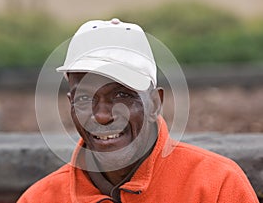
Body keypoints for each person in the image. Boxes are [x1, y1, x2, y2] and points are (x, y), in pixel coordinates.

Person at [18, 18, 259, 203]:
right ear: (70, 103)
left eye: (123, 95)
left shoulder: (217, 186)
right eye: (84, 98)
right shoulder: (41, 198)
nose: (102, 116)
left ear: (155, 103)